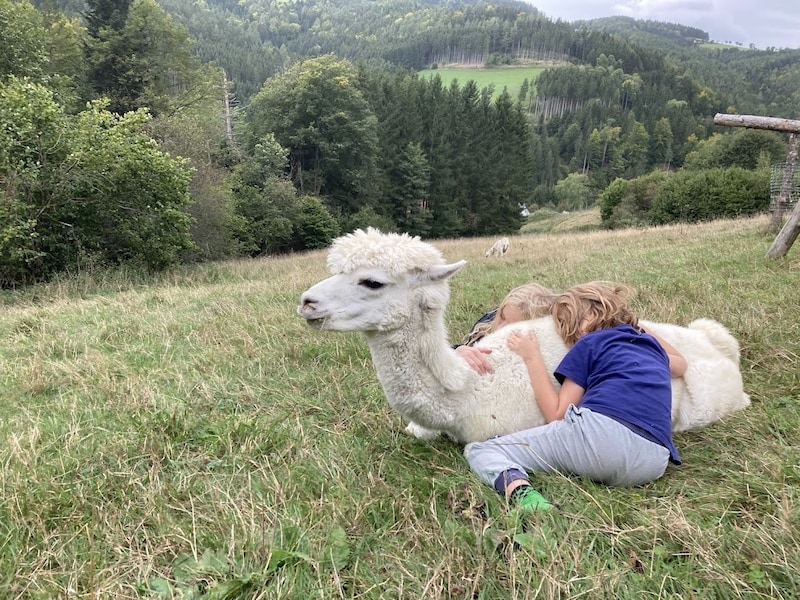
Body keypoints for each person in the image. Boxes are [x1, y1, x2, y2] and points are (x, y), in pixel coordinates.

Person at [464, 281, 686, 512]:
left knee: (482, 450)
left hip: (600, 439)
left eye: (567, 320)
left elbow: (557, 414)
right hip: (654, 460)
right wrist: (634, 325)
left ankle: (524, 496)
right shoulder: (651, 347)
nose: (566, 329)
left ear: (589, 314)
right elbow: (680, 364)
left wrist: (532, 357)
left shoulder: (589, 343)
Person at [455, 282, 557, 375]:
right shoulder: (484, 326)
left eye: (511, 327)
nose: (500, 327)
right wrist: (458, 351)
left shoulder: (536, 359)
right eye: (502, 317)